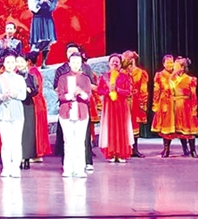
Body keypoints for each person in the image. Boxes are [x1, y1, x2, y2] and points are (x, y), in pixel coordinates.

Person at [53, 42, 96, 171]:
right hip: (66, 111)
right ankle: (68, 168)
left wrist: (81, 93)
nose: (76, 64)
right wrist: (70, 95)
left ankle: (80, 167)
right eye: (73, 62)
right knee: (68, 141)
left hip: (81, 111)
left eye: (78, 62)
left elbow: (88, 95)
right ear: (69, 62)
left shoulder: (86, 77)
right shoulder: (62, 76)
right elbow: (60, 94)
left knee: (80, 141)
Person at [152, 55, 198, 158]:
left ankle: (192, 150)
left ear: (182, 67)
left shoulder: (190, 79)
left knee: (189, 130)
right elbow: (161, 90)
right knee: (168, 131)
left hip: (185, 107)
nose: (173, 67)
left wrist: (194, 109)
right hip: (171, 107)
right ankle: (166, 150)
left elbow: (193, 96)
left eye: (176, 65)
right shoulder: (169, 79)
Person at [0, 51, 27, 178]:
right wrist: (4, 96)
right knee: (6, 142)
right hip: (3, 114)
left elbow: (23, 96)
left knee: (16, 142)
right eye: (8, 62)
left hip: (17, 114)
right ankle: (6, 167)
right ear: (4, 64)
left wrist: (15, 94)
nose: (10, 65)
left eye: (12, 62)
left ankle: (15, 167)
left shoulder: (20, 79)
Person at [97, 53, 133, 162]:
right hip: (109, 106)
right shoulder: (104, 77)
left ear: (120, 64)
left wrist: (118, 90)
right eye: (113, 61)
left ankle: (121, 154)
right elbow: (99, 90)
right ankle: (111, 153)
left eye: (117, 61)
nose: (115, 63)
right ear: (109, 63)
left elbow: (129, 92)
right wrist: (108, 91)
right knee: (110, 128)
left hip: (121, 106)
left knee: (121, 128)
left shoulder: (125, 77)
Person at [27, 0, 58, 68]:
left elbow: (53, 6)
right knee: (37, 41)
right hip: (38, 18)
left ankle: (44, 63)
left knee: (48, 41)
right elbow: (32, 6)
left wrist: (47, 2)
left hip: (48, 18)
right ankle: (33, 64)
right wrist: (40, 3)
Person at [25, 51, 52, 162]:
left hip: (35, 102)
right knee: (39, 127)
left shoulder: (31, 73)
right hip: (39, 102)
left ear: (28, 61)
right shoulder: (36, 72)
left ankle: (36, 154)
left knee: (35, 128)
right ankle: (38, 154)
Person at [121, 50, 148, 158]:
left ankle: (135, 149)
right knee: (122, 125)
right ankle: (124, 149)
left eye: (128, 59)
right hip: (123, 101)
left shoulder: (140, 73)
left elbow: (143, 89)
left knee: (135, 125)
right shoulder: (121, 72)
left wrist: (143, 102)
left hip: (135, 101)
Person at [16, 54, 39, 170]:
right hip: (16, 105)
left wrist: (29, 91)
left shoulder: (31, 76)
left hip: (28, 105)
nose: (20, 64)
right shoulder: (13, 77)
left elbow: (36, 90)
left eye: (22, 62)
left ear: (26, 63)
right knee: (18, 132)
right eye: (18, 62)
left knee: (28, 132)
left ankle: (27, 157)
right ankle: (18, 157)